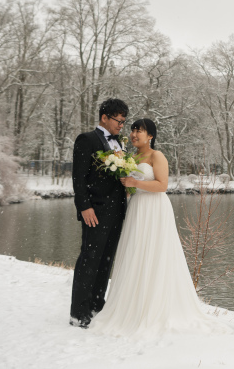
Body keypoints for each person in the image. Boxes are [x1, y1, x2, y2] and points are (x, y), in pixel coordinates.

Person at [90, 118, 234, 344]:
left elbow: (162, 185)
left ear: (151, 136)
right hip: (137, 209)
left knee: (156, 254)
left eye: (139, 130)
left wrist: (134, 183)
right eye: (132, 130)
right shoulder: (130, 158)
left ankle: (157, 306)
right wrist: (124, 188)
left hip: (155, 208)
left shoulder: (156, 156)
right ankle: (135, 304)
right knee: (136, 254)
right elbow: (130, 187)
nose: (134, 133)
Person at [69, 98, 130, 328]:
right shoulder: (87, 140)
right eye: (118, 121)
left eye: (123, 122)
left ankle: (97, 305)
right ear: (104, 117)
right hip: (94, 212)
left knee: (106, 261)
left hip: (117, 213)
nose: (121, 126)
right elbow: (78, 178)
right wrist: (84, 207)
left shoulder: (119, 144)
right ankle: (78, 313)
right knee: (89, 259)